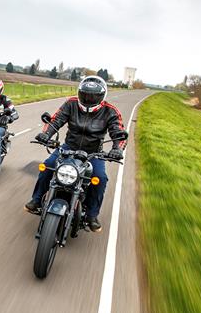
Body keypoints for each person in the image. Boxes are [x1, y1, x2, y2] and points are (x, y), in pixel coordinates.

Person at [24, 76, 127, 232]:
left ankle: (92, 215)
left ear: (102, 96)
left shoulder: (110, 111)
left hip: (94, 153)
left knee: (100, 179)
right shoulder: (71, 103)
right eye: (85, 94)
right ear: (79, 93)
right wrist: (46, 134)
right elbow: (55, 120)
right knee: (47, 166)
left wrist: (117, 149)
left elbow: (118, 132)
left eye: (93, 96)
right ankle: (37, 200)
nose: (88, 98)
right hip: (68, 148)